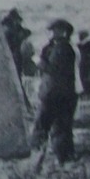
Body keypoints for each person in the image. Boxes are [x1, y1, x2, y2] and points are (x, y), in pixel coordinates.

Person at [31, 19, 78, 166]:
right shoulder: (56, 47)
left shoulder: (62, 49)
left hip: (54, 93)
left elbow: (53, 69)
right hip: (61, 93)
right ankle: (62, 158)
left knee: (44, 124)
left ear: (62, 32)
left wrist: (39, 62)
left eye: (53, 30)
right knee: (60, 127)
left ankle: (38, 155)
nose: (50, 33)